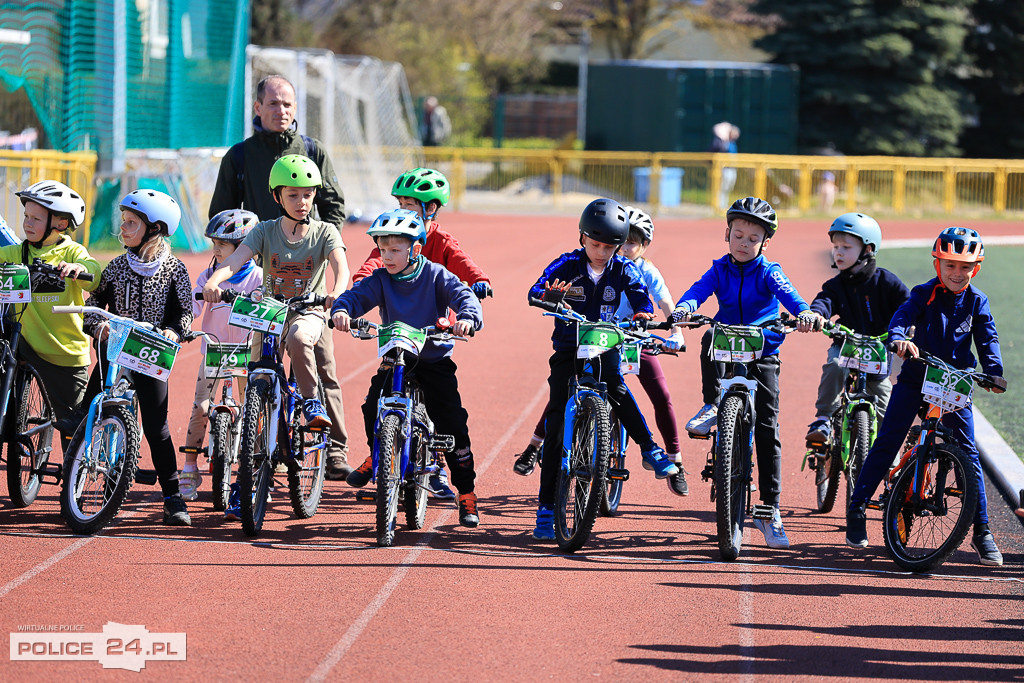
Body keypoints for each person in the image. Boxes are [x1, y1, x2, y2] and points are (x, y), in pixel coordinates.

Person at [845, 227, 1007, 566]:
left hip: (955, 383)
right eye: (950, 266)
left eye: (965, 267)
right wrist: (900, 338)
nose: (957, 273)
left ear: (975, 269)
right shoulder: (924, 293)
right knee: (888, 439)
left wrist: (993, 370)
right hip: (917, 376)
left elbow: (988, 337)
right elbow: (902, 317)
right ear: (938, 265)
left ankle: (982, 530)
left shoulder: (978, 301)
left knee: (969, 454)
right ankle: (858, 507)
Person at [528, 198, 679, 541]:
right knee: (554, 427)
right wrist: (546, 296)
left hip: (606, 344)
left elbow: (642, 297)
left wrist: (642, 313)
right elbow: (536, 289)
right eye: (594, 244)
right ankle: (547, 508)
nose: (601, 251)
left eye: (609, 246)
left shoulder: (623, 269)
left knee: (617, 389)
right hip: (569, 348)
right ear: (582, 237)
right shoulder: (567, 264)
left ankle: (650, 449)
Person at [671, 197, 819, 549]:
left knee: (767, 428)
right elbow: (697, 292)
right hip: (726, 346)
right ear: (727, 233)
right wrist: (684, 307)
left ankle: (770, 510)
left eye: (753, 238)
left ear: (765, 243)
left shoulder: (770, 272)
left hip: (762, 350)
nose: (743, 243)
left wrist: (805, 313)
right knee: (707, 334)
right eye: (738, 234)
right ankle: (711, 405)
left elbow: (791, 296)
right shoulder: (718, 269)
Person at [331, 209, 484, 527]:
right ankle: (379, 454)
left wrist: (468, 318)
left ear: (416, 249)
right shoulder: (381, 280)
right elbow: (355, 297)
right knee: (373, 403)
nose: (386, 256)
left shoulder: (435, 275)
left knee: (452, 424)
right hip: (396, 357)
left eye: (394, 250)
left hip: (432, 359)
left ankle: (466, 493)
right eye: (382, 249)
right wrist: (343, 310)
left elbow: (464, 296)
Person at [350, 167, 492, 494]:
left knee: (442, 410)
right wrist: (360, 283)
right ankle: (379, 453)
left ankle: (438, 469)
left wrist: (479, 281)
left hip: (430, 334)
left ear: (430, 209)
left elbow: (461, 264)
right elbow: (373, 263)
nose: (403, 210)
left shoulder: (440, 242)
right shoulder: (392, 237)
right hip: (399, 341)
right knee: (376, 400)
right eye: (400, 202)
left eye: (411, 205)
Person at [202, 155, 350, 447]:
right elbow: (235, 260)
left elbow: (340, 266)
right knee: (257, 376)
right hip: (270, 312)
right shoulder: (264, 231)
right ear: (277, 196)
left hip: (308, 312)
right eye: (293, 195)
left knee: (298, 338)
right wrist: (213, 281)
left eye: (308, 194)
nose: (302, 201)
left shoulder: (325, 231)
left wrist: (337, 291)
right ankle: (254, 462)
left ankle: (310, 403)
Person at [79, 190, 195, 526]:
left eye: (131, 223)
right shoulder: (115, 267)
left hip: (152, 353)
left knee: (157, 427)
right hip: (116, 351)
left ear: (155, 228)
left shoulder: (175, 269)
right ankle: (76, 472)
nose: (123, 228)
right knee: (88, 409)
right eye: (123, 221)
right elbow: (92, 306)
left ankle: (173, 497)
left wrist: (174, 332)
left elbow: (184, 311)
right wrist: (97, 326)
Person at [0, 181, 100, 450]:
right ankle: (8, 422)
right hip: (24, 344)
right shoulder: (15, 253)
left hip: (63, 353)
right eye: (26, 217)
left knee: (75, 429)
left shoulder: (71, 251)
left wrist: (78, 268)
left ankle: (73, 478)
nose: (27, 223)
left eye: (36, 218)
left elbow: (93, 272)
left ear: (60, 224)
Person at [178, 209, 264, 503]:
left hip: (245, 355)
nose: (215, 250)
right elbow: (192, 304)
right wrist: (184, 324)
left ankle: (255, 466)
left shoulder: (257, 278)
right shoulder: (209, 275)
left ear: (243, 248)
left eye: (222, 245)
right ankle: (189, 468)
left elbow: (267, 311)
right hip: (213, 352)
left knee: (253, 411)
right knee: (201, 407)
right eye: (214, 243)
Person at [805, 213, 910, 444]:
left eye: (846, 247)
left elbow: (907, 305)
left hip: (878, 351)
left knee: (884, 399)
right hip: (846, 346)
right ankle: (823, 418)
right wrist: (816, 315)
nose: (838, 252)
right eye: (835, 246)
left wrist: (909, 326)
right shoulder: (836, 285)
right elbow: (824, 301)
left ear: (868, 249)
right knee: (833, 365)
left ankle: (886, 456)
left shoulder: (886, 282)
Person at [209, 75, 347, 231]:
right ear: (257, 108)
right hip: (257, 252)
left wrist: (326, 247)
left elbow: (333, 208)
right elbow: (222, 216)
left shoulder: (313, 151)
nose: (281, 111)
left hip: (305, 254)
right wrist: (241, 252)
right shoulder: (238, 156)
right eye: (273, 103)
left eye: (287, 104)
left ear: (294, 108)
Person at [712, 122, 740, 210]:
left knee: (728, 188)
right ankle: (719, 205)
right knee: (722, 187)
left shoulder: (733, 143)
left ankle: (724, 204)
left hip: (732, 168)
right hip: (725, 169)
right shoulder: (723, 143)